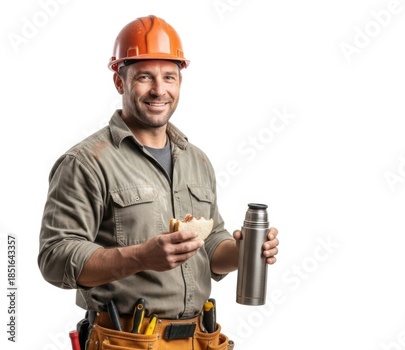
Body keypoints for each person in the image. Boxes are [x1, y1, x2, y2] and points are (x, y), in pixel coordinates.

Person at [38, 15, 279, 350]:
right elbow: (55, 258)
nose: (159, 90)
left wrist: (242, 252)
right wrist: (141, 257)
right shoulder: (86, 162)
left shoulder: (196, 160)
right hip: (127, 339)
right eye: (144, 77)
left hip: (200, 339)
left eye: (169, 77)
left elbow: (210, 248)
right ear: (119, 82)